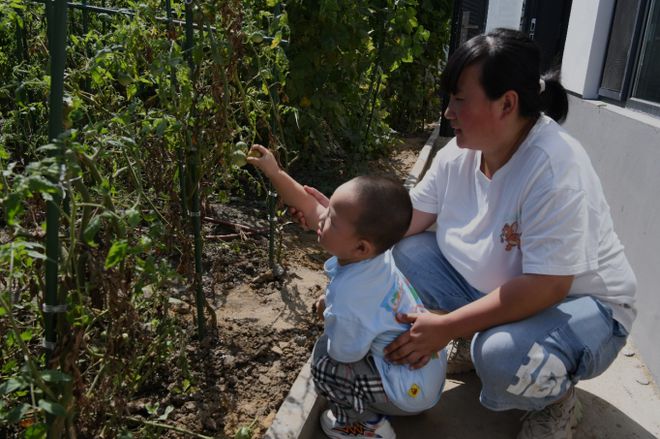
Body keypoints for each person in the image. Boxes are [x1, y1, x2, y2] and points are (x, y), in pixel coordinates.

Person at [293, 28, 637, 439]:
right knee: (404, 254)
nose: (448, 113)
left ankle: (553, 401)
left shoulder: (554, 169)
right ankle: (478, 335)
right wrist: (344, 257)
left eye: (459, 99)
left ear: (506, 103)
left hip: (584, 308)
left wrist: (449, 325)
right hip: (505, 287)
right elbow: (399, 226)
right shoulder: (458, 154)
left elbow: (548, 287)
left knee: (503, 356)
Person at [247, 145, 446, 439]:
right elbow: (309, 207)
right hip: (424, 378)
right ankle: (385, 403)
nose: (322, 216)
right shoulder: (378, 257)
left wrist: (332, 312)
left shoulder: (350, 298)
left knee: (325, 361)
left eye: (332, 218)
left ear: (360, 246)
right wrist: (274, 172)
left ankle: (363, 426)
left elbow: (345, 351)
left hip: (407, 392)